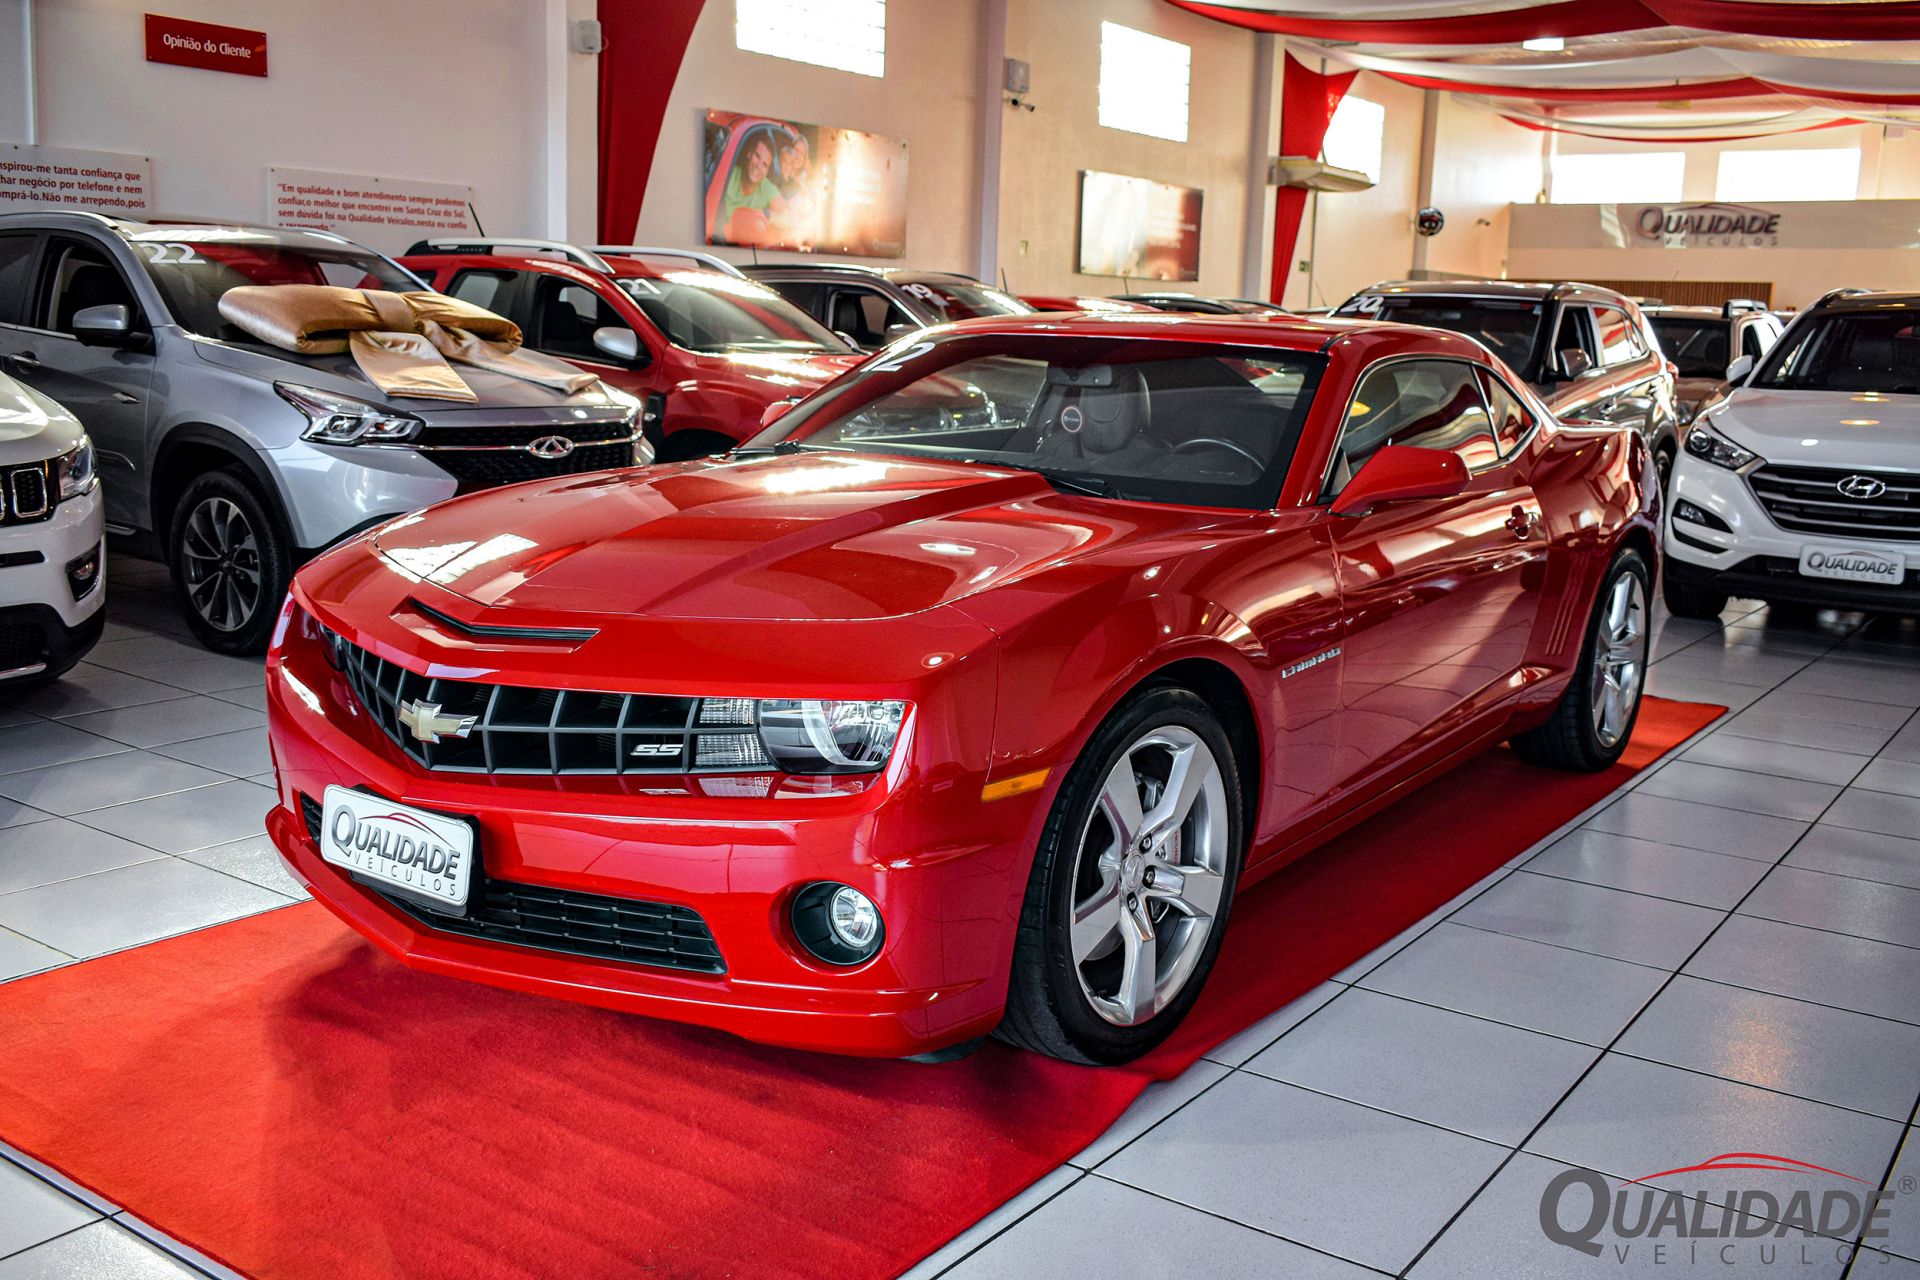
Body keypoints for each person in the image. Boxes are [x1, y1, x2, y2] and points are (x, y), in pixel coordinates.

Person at [719, 137, 787, 245]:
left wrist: (766, 214)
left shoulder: (767, 188)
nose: (758, 166)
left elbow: (789, 217)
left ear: (767, 171)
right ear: (749, 154)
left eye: (765, 165)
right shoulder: (729, 176)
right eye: (757, 156)